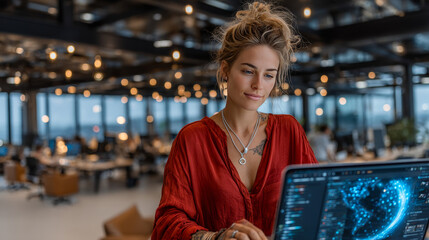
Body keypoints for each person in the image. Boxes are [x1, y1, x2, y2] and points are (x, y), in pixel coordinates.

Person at [151, 2, 317, 240]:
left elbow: (318, 203)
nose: (259, 85)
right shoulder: (192, 140)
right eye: (248, 71)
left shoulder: (289, 131)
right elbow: (166, 225)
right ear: (226, 70)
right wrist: (215, 238)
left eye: (269, 75)